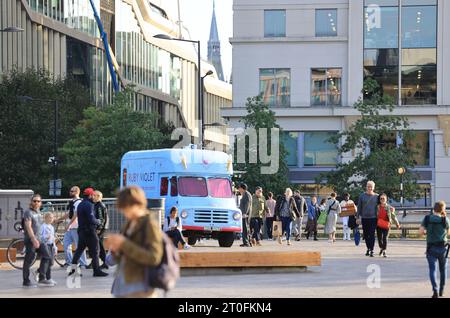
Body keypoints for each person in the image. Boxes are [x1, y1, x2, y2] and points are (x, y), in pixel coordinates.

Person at [106, 186, 164, 298]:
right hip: (122, 285)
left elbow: (154, 257)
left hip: (140, 287)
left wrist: (124, 244)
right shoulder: (128, 224)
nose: (124, 212)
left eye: (126, 208)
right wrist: (114, 250)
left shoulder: (149, 224)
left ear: (137, 204)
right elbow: (122, 257)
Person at [69, 188, 108, 277]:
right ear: (90, 195)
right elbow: (91, 218)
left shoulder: (81, 204)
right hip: (90, 231)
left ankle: (73, 270)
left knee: (79, 250)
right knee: (95, 251)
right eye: (93, 195)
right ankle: (96, 271)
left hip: (81, 231)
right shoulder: (89, 205)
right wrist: (98, 221)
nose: (94, 197)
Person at [419, 201, 450, 298]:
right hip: (443, 248)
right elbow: (449, 233)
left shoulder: (427, 218)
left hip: (431, 248)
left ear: (434, 209)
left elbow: (420, 232)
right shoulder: (445, 220)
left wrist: (426, 233)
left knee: (432, 270)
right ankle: (441, 291)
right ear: (443, 210)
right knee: (443, 270)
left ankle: (435, 290)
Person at [22, 194, 54, 287]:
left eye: (38, 201)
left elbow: (39, 227)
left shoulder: (38, 212)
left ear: (41, 203)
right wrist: (33, 239)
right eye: (34, 201)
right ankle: (26, 281)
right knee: (29, 260)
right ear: (31, 202)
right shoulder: (28, 212)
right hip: (31, 240)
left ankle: (41, 277)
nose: (36, 202)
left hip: (40, 240)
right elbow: (28, 226)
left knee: (48, 257)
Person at [58, 186, 87, 268]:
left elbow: (76, 214)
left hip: (76, 227)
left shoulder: (79, 202)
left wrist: (69, 224)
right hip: (70, 228)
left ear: (77, 192)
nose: (70, 192)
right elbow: (69, 214)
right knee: (66, 245)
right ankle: (69, 262)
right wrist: (58, 219)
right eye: (70, 191)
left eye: (72, 191)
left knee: (79, 246)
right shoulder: (72, 202)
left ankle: (83, 263)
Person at [356, 181, 379, 257]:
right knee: (366, 235)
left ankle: (371, 249)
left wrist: (391, 208)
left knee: (372, 234)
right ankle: (368, 248)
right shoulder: (362, 196)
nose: (369, 188)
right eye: (368, 186)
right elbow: (359, 208)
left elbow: (383, 205)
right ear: (366, 187)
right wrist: (358, 217)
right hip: (364, 218)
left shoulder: (377, 196)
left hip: (373, 218)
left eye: (371, 186)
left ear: (373, 187)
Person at [376, 193, 400, 258]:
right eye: (381, 199)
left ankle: (384, 251)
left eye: (383, 198)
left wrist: (397, 223)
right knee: (379, 238)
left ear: (386, 199)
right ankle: (381, 248)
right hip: (378, 225)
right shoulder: (377, 207)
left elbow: (393, 216)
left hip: (386, 225)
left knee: (385, 238)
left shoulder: (389, 207)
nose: (382, 200)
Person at [38, 212, 58, 286]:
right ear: (45, 218)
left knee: (51, 262)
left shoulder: (52, 227)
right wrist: (45, 238)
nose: (51, 219)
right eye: (50, 217)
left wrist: (55, 248)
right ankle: (43, 277)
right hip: (44, 244)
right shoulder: (43, 226)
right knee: (46, 259)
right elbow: (39, 236)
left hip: (51, 245)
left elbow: (53, 239)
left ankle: (47, 277)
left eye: (52, 218)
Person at [93, 190, 109, 269]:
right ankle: (103, 262)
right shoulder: (97, 205)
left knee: (99, 245)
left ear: (99, 197)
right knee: (98, 245)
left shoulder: (99, 205)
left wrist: (99, 228)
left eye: (94, 195)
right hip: (102, 227)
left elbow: (101, 219)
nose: (93, 197)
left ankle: (104, 262)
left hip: (101, 228)